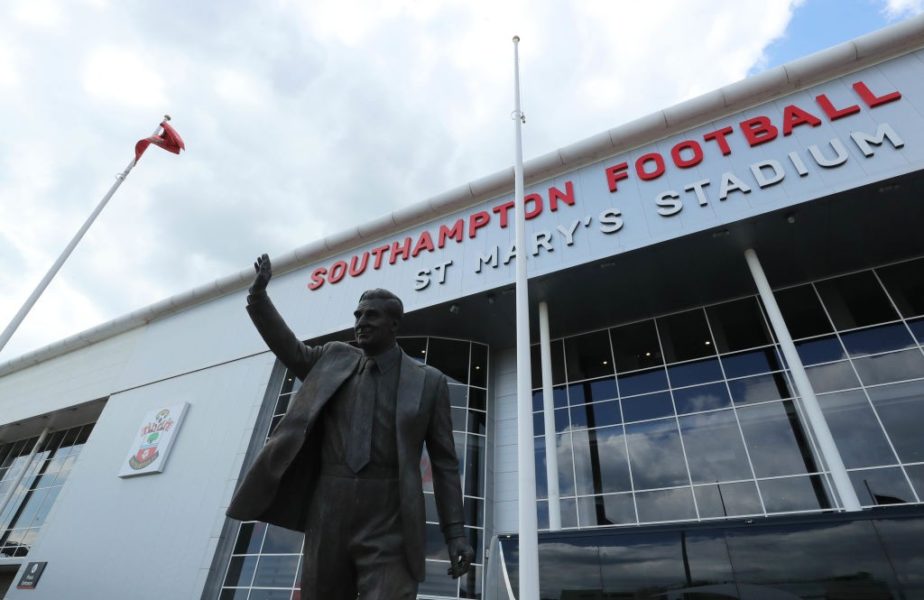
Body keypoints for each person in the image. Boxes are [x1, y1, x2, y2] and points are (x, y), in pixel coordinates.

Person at [227, 254, 474, 599]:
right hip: (329, 508)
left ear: (394, 324)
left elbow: (445, 464)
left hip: (390, 516)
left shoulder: (429, 382)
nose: (361, 322)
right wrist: (259, 299)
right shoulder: (332, 358)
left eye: (371, 315)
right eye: (358, 315)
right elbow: (289, 348)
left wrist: (455, 533)